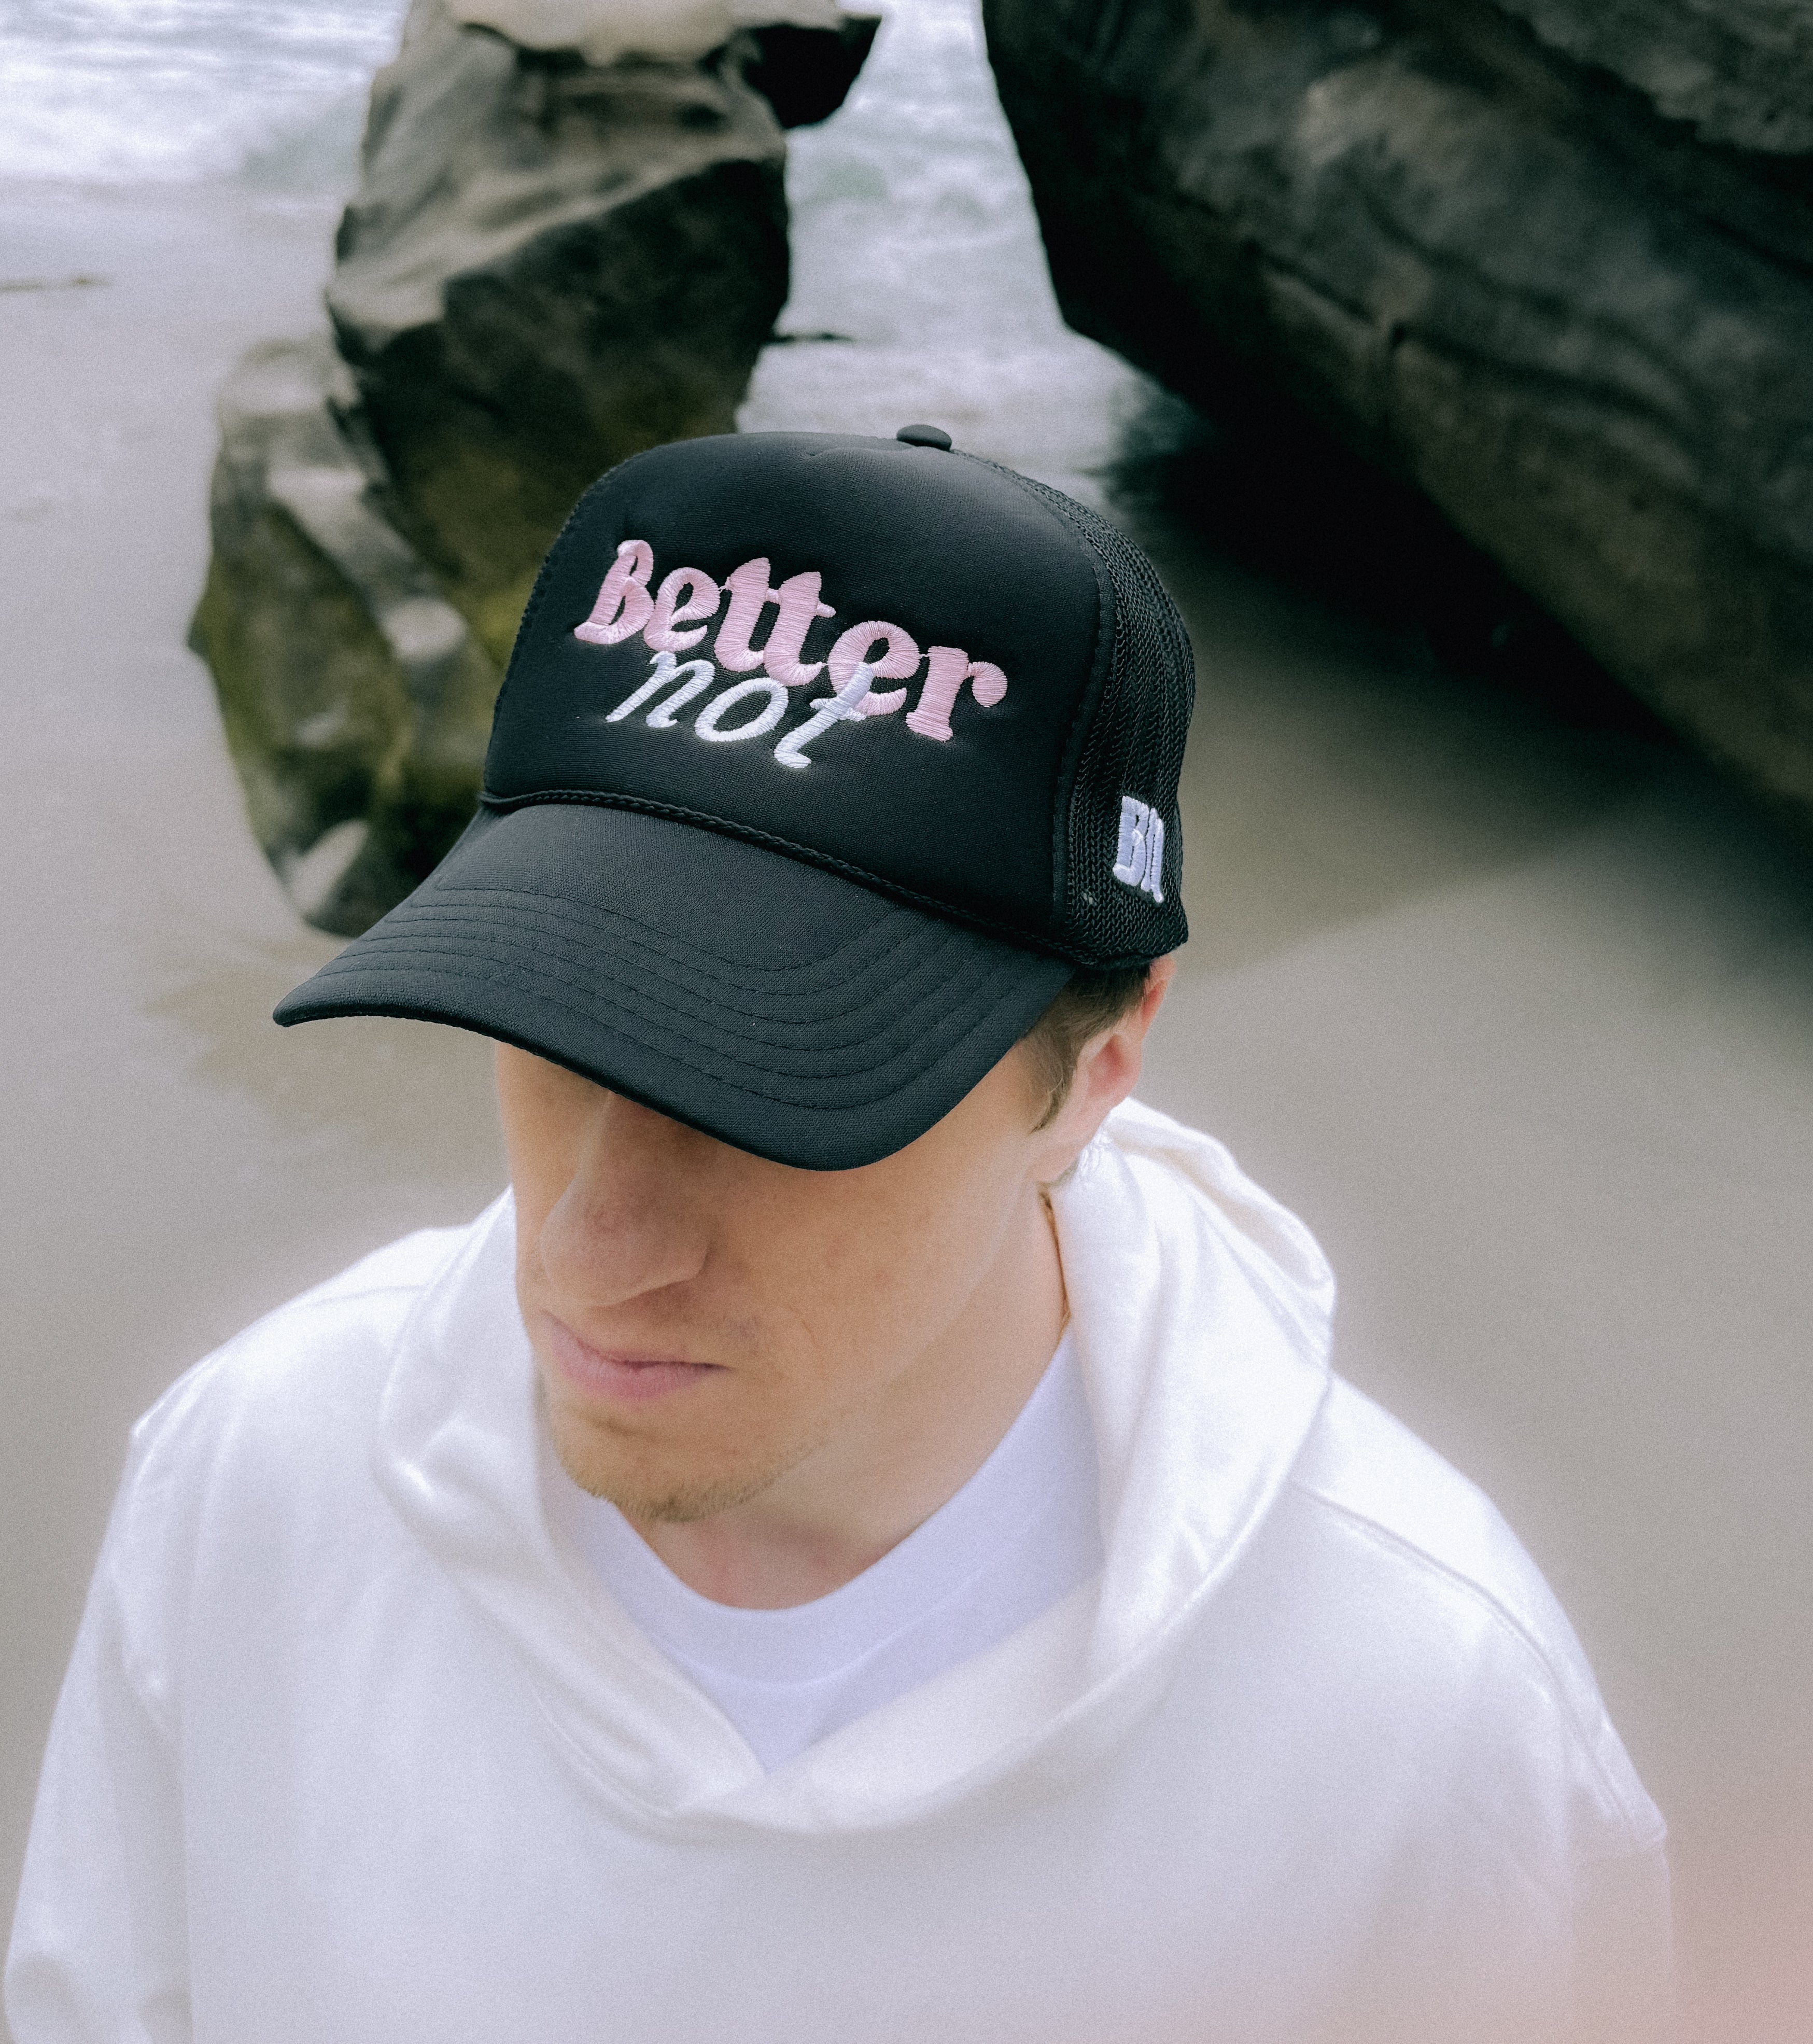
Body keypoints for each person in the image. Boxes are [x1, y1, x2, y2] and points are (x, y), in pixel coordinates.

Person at [6, 428, 1671, 2043]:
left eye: (767, 1101)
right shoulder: (257, 1481)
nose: (592, 1248)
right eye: (555, 1032)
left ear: (1101, 1059)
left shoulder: (1420, 1726)